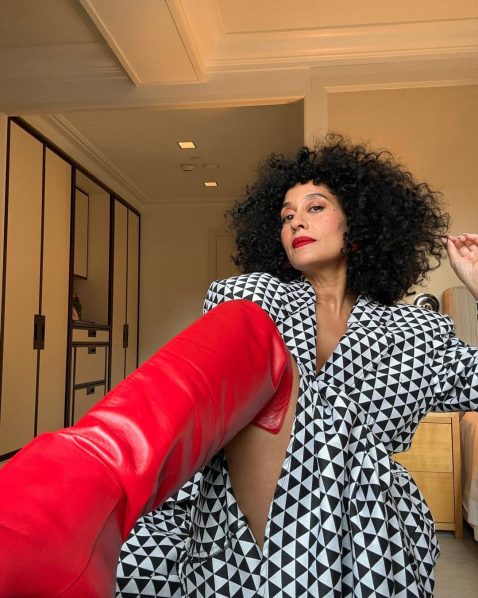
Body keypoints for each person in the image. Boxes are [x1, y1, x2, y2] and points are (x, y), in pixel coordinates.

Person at [117, 136, 478, 597]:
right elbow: (199, 387)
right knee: (251, 340)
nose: (296, 222)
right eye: (286, 216)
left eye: (315, 207)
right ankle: (105, 458)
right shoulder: (251, 296)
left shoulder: (417, 331)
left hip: (363, 526)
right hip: (238, 520)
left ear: (358, 222)